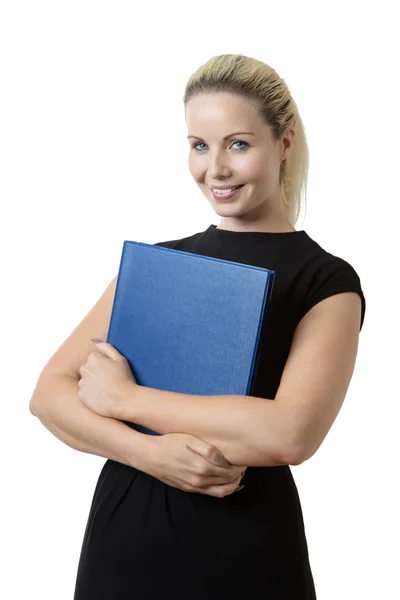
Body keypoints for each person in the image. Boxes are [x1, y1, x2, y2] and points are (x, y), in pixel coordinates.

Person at [29, 54, 366, 599]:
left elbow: (290, 433)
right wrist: (148, 453)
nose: (216, 169)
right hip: (124, 541)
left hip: (241, 548)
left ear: (284, 142)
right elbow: (48, 395)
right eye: (199, 145)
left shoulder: (325, 280)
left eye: (238, 144)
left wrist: (126, 401)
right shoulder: (155, 264)